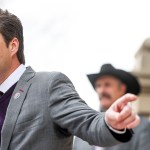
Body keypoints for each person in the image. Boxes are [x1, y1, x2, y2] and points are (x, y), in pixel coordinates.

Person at [0, 9, 140, 150]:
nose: (102, 89)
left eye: (107, 84)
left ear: (13, 46)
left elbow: (88, 121)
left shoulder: (48, 85)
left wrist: (109, 123)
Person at [73, 64, 150, 150]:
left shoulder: (142, 127)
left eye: (107, 85)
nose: (101, 90)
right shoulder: (84, 126)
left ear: (122, 89)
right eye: (98, 86)